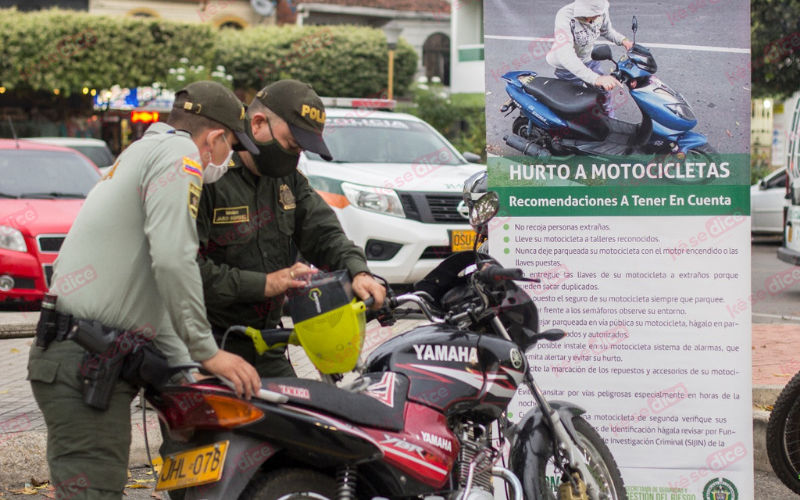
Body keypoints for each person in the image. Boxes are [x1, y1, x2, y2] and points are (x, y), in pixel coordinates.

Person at [27, 81, 262, 500]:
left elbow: (151, 297)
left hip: (81, 355)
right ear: (214, 138)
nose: (230, 160)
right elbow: (174, 260)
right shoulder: (181, 156)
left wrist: (186, 373)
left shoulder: (142, 151)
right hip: (83, 360)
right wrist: (208, 352)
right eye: (232, 146)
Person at [196, 79, 386, 377]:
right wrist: (267, 284)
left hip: (267, 343)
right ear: (257, 124)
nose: (294, 156)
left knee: (309, 419)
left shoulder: (288, 180)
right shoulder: (209, 175)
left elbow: (324, 234)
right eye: (291, 145)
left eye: (301, 149)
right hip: (206, 345)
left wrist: (359, 272)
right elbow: (185, 270)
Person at [546, 0, 634, 115]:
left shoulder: (601, 10)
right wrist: (596, 79)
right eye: (585, 17)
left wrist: (623, 40)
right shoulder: (565, 16)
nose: (589, 21)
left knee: (605, 93)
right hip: (567, 67)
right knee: (574, 102)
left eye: (594, 17)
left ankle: (609, 121)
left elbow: (607, 30)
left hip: (589, 60)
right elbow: (565, 54)